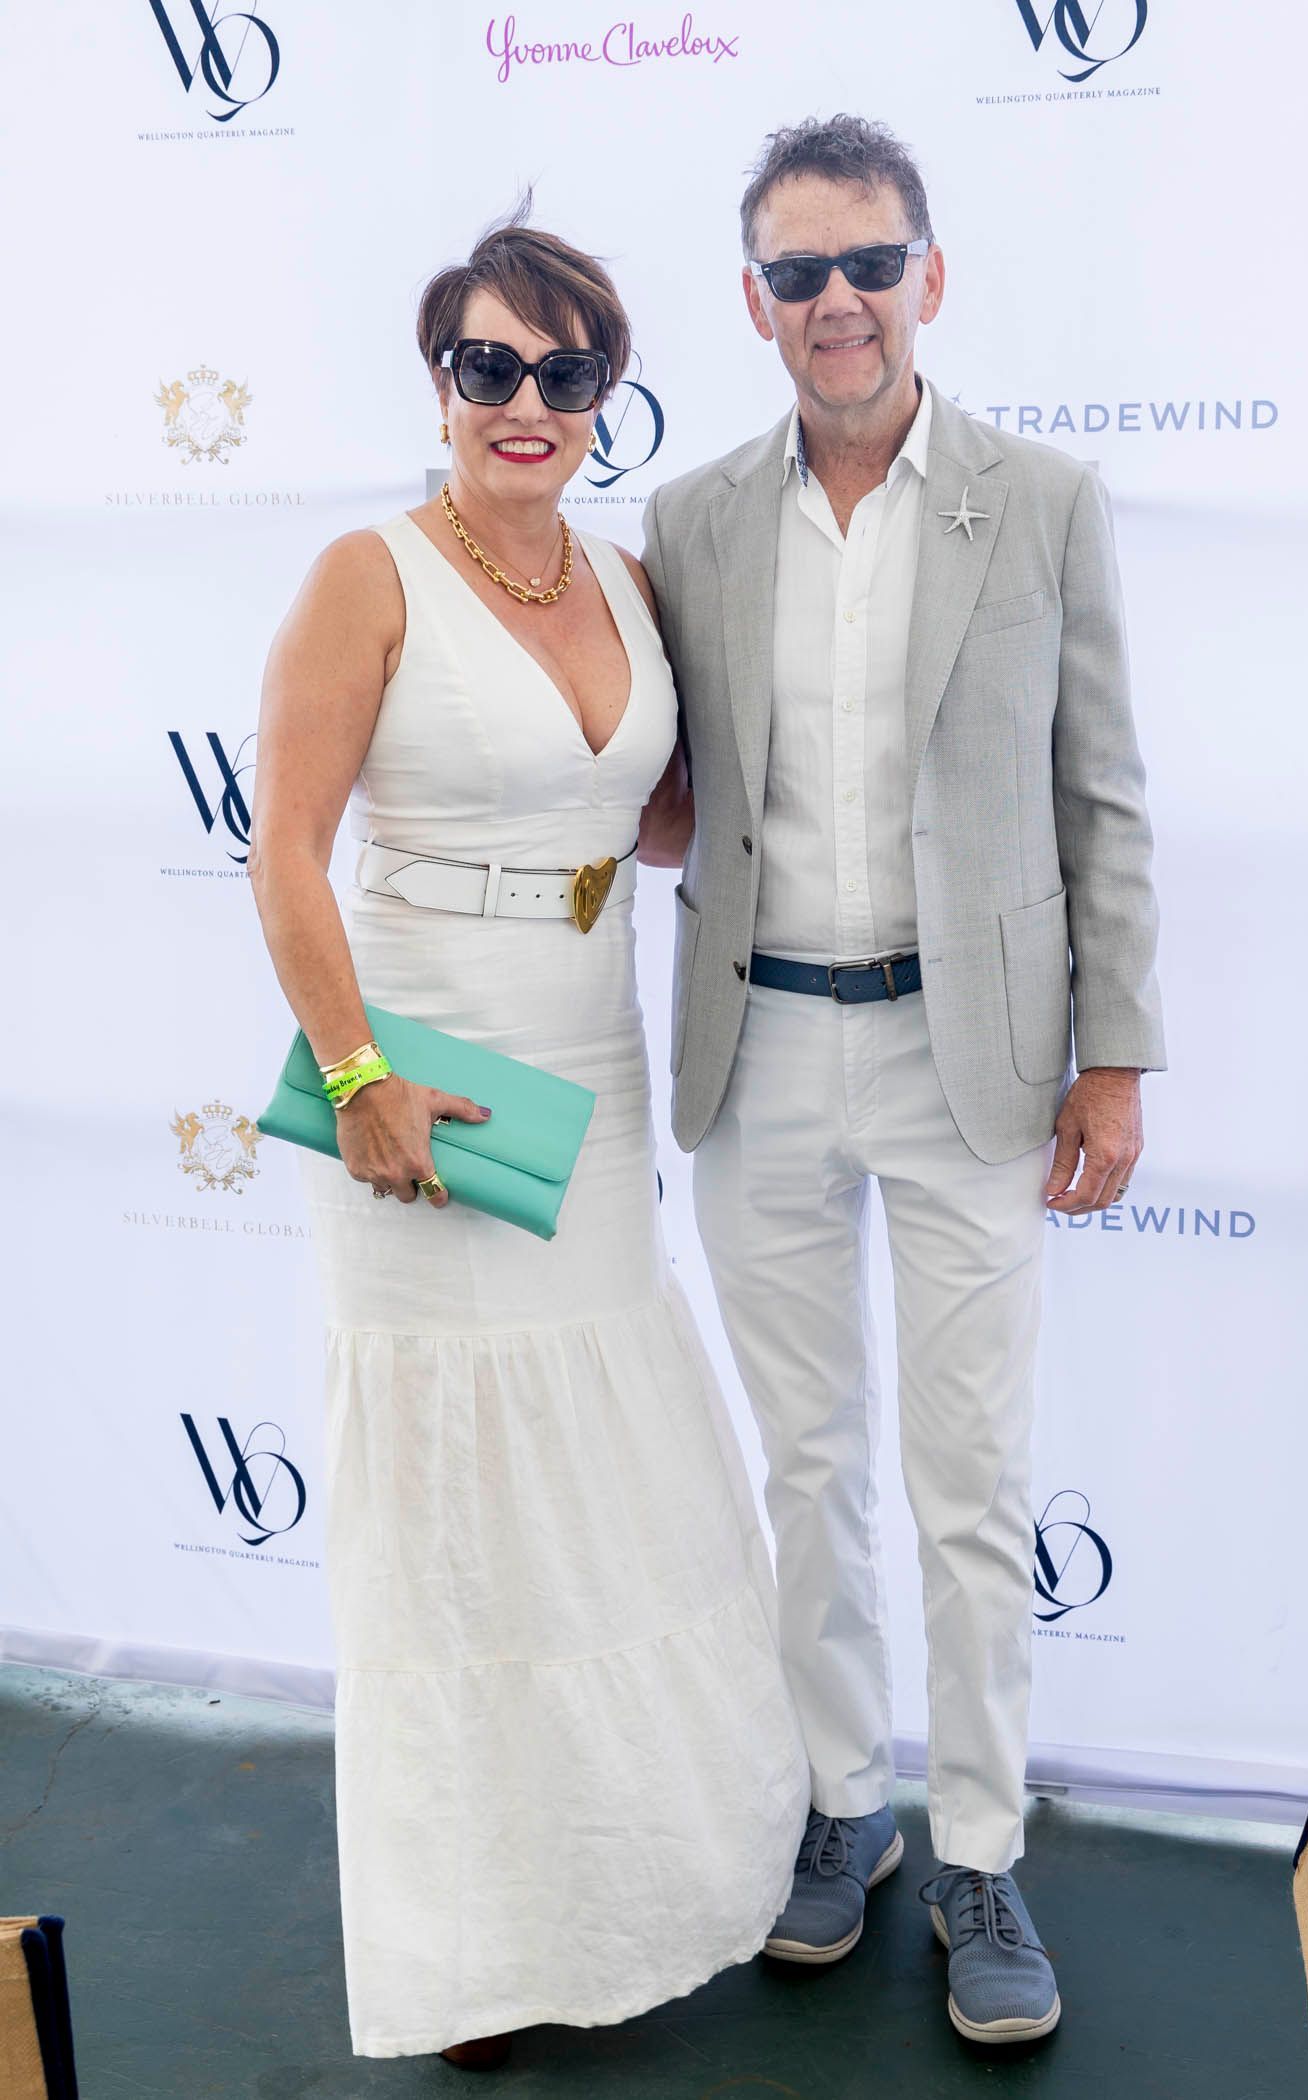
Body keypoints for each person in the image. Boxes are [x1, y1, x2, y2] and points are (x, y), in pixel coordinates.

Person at [248, 212, 807, 2068]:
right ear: (441, 380)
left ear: (605, 397)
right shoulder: (368, 573)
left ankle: (622, 1886)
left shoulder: (625, 580)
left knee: (595, 1492)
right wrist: (354, 1078)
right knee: (452, 1521)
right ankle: (479, 1952)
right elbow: (285, 852)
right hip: (425, 1073)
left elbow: (649, 828)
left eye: (564, 374)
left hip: (597, 1046)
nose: (525, 402)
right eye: (490, 366)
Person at [642, 114, 1166, 2047]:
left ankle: (977, 1851)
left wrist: (1114, 1055)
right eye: (798, 273)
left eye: (869, 264)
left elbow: (1098, 791)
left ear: (929, 278)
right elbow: (647, 773)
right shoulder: (690, 518)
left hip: (981, 1063)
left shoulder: (1041, 499)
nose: (837, 301)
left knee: (970, 1484)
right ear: (756, 305)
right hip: (759, 1044)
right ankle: (841, 1807)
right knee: (808, 1468)